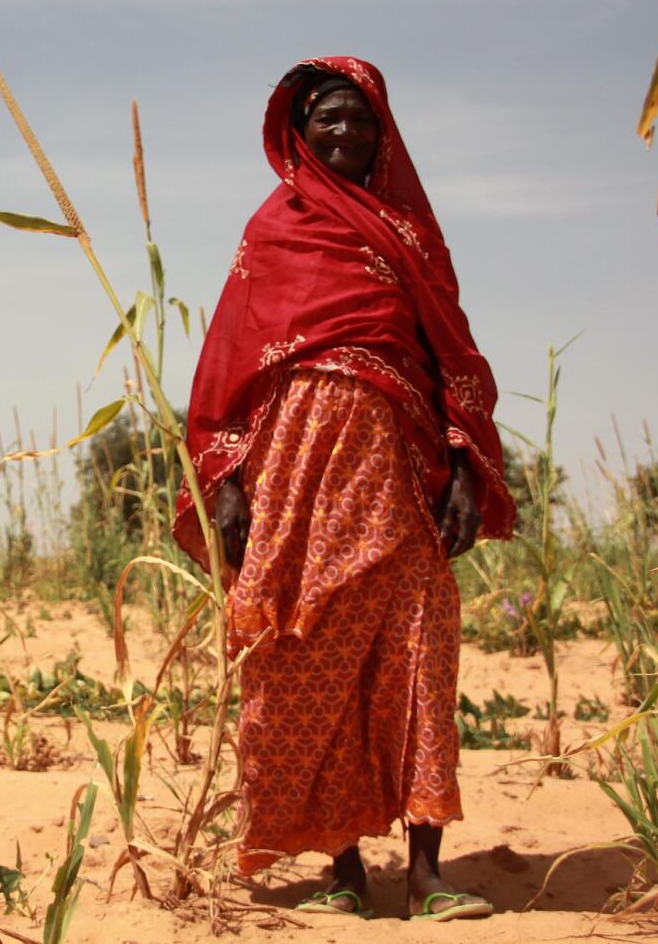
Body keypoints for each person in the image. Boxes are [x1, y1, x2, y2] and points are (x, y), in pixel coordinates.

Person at [172, 56, 516, 922]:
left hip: (398, 478)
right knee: (304, 655)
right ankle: (343, 870)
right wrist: (226, 483)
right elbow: (226, 368)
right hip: (292, 477)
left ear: (383, 132)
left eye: (360, 120)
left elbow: (451, 356)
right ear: (298, 127)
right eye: (328, 117)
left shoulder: (408, 231)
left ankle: (427, 876)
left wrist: (469, 471)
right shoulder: (272, 228)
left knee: (416, 654)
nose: (344, 133)